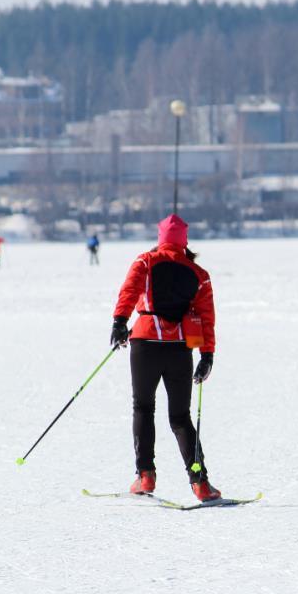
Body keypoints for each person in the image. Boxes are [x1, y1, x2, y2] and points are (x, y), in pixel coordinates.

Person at [110, 214, 221, 502]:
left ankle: (145, 475)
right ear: (184, 240)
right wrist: (206, 354)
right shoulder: (199, 275)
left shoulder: (145, 261)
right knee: (181, 418)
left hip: (144, 344)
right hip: (178, 348)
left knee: (143, 408)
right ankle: (201, 484)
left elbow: (129, 291)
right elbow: (206, 319)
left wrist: (119, 322)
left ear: (160, 237)